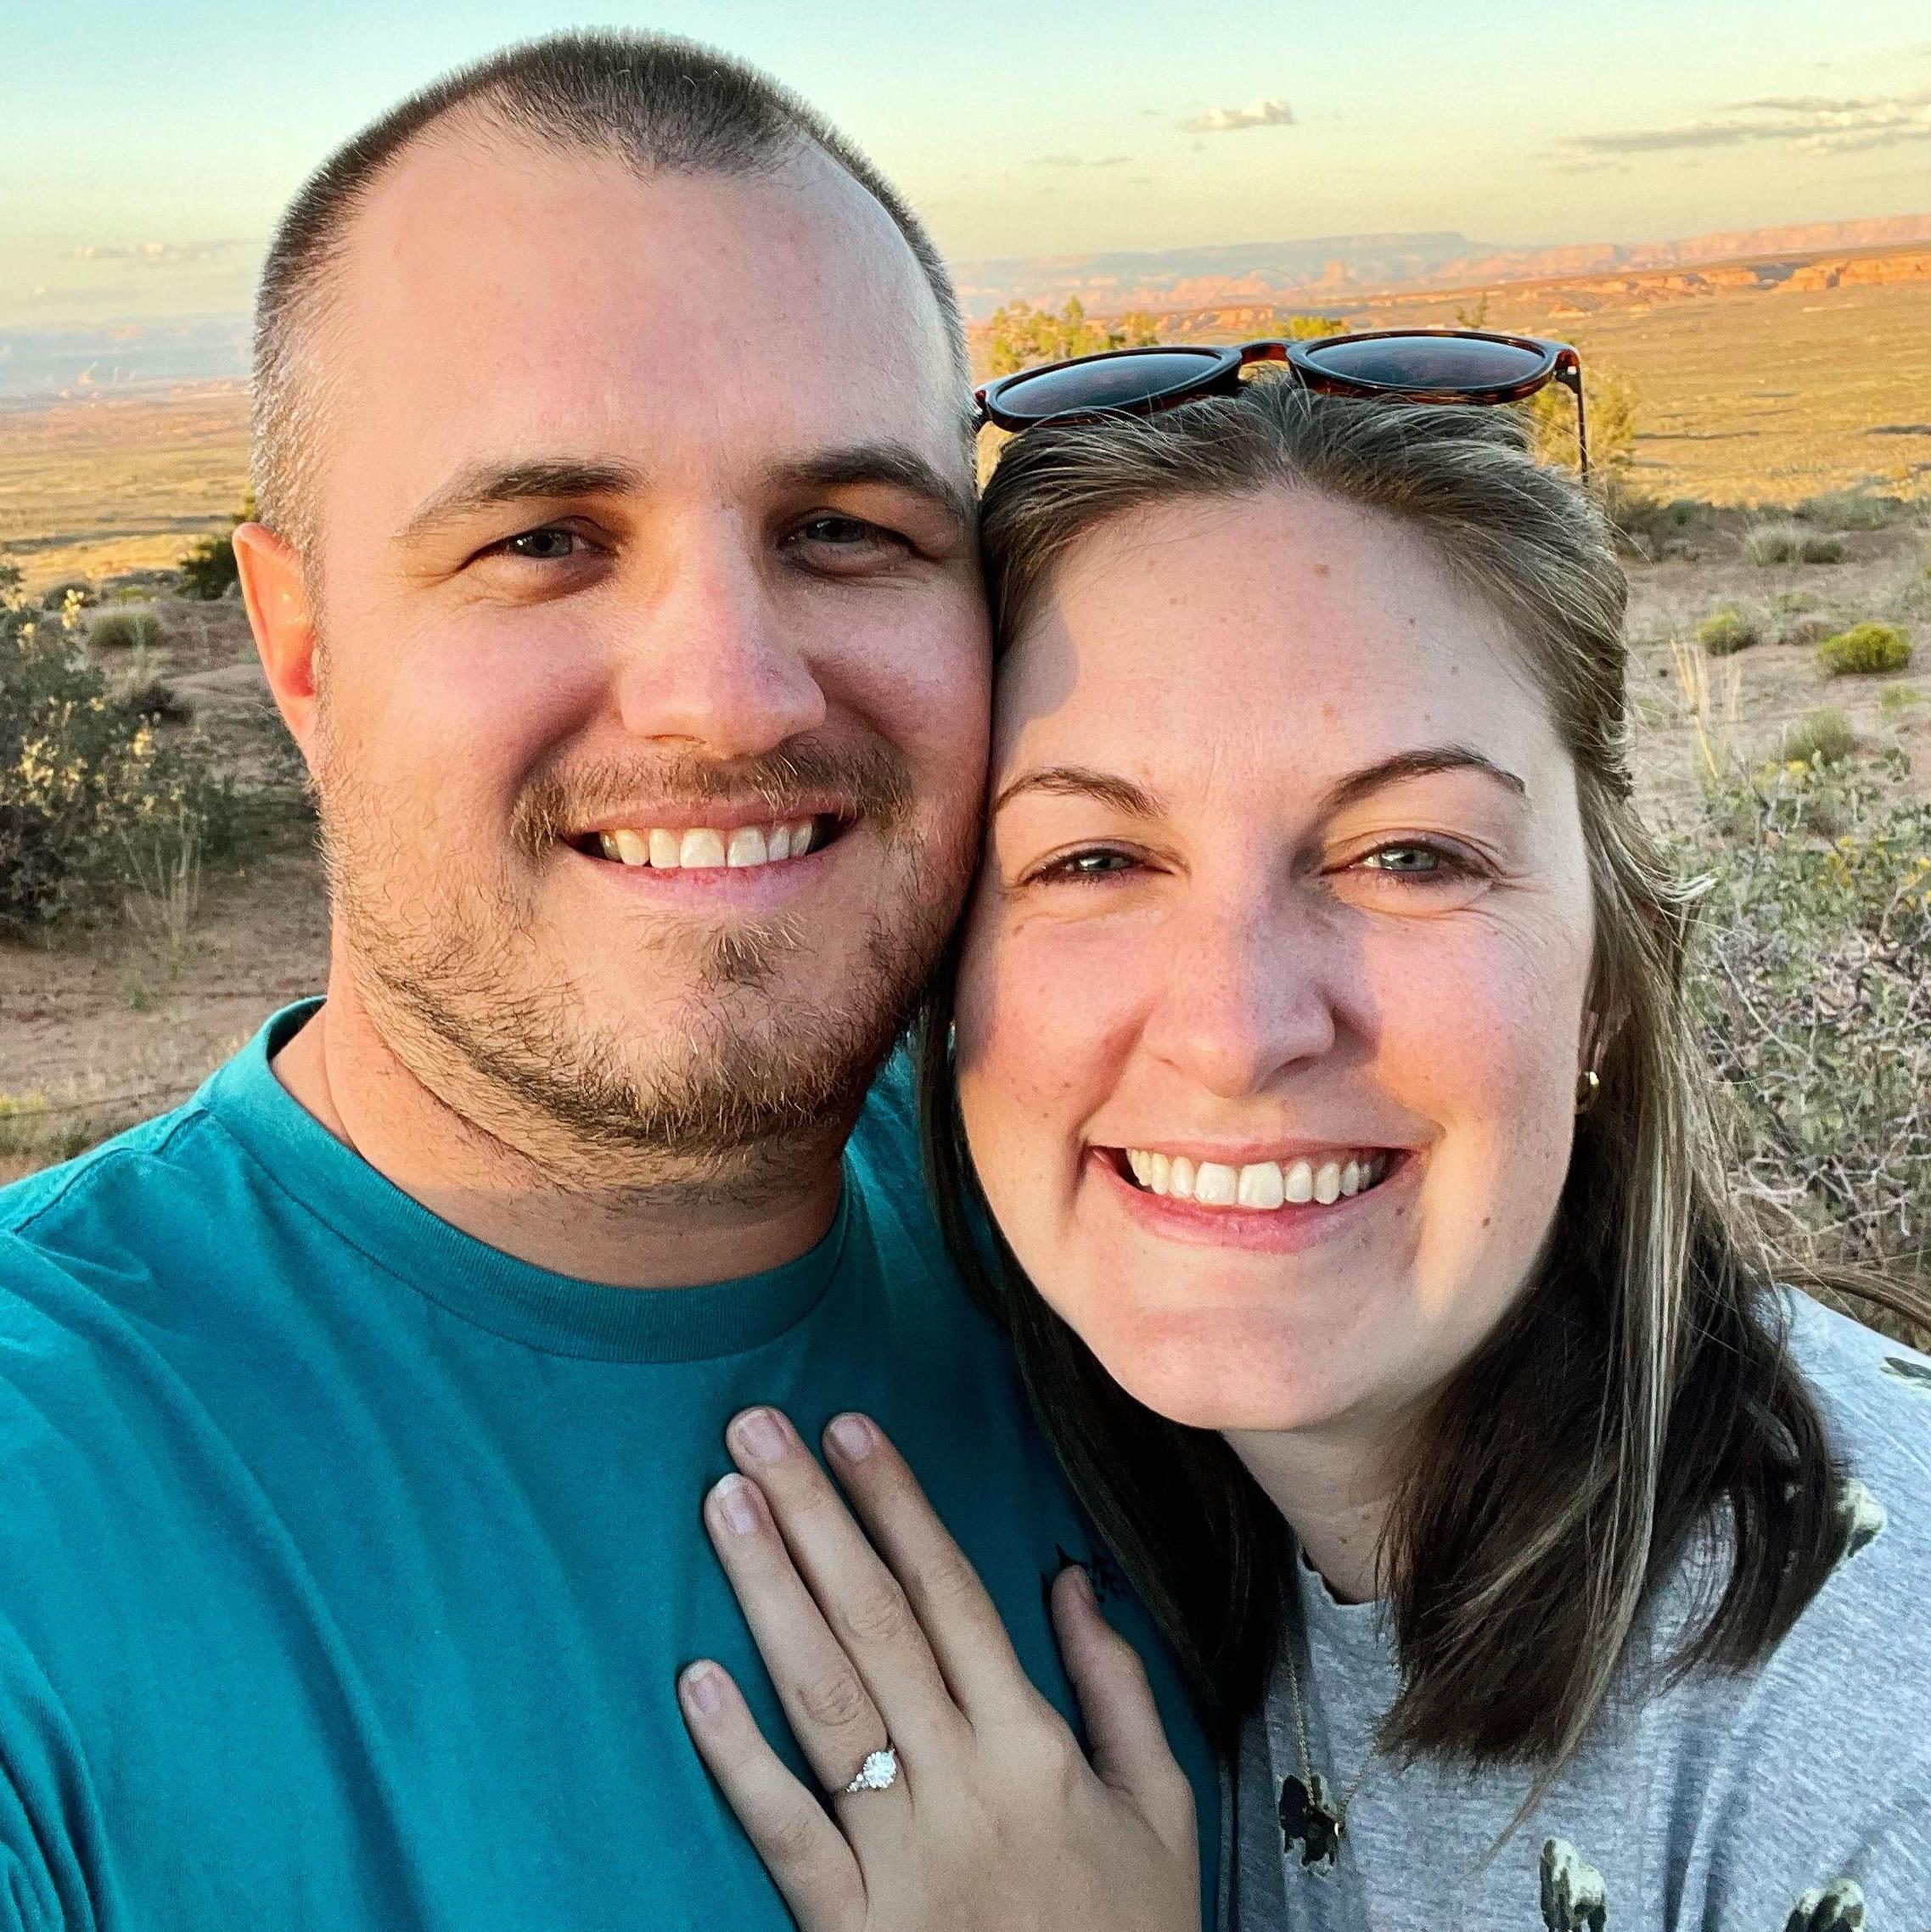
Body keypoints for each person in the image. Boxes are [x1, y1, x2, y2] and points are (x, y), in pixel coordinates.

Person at [0, 33, 1219, 1929]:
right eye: (545, 542)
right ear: (301, 648)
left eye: (845, 531)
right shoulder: (47, 1501)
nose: (730, 694)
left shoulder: (1171, 1233)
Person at [680, 379, 1931, 1929]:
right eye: (1094, 859)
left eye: (1409, 854)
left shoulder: (1880, 1748)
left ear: (1609, 971)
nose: (1237, 1029)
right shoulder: (1129, 1516)